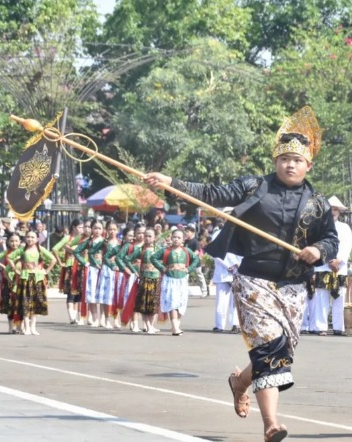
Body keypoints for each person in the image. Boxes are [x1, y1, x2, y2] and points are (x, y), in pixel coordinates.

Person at [143, 105, 338, 442]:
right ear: (275, 161)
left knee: (281, 351)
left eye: (297, 160)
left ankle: (240, 382)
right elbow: (212, 194)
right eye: (284, 158)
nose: (290, 164)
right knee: (270, 347)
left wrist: (319, 250)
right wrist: (171, 182)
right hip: (254, 281)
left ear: (309, 165)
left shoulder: (318, 204)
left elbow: (331, 239)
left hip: (294, 285)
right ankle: (271, 424)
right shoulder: (253, 187)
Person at [310, 196, 352, 336]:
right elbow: (316, 245)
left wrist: (339, 260)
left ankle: (338, 326)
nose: (332, 212)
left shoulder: (345, 228)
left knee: (339, 297)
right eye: (330, 209)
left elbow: (347, 246)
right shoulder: (318, 226)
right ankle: (320, 326)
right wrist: (328, 260)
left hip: (340, 267)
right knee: (321, 297)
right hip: (323, 266)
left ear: (339, 211)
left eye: (335, 209)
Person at [7, 231, 56, 335]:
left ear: (37, 239)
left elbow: (53, 259)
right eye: (28, 237)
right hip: (25, 278)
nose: (30, 239)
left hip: (37, 278)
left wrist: (46, 271)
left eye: (33, 237)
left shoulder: (40, 249)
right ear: (25, 238)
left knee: (35, 303)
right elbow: (9, 257)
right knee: (25, 302)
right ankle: (27, 327)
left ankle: (33, 327)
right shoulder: (22, 249)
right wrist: (15, 269)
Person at [153, 229, 199, 335]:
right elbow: (153, 258)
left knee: (181, 302)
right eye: (174, 237)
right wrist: (163, 268)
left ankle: (176, 325)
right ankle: (174, 326)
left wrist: (188, 269)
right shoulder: (166, 250)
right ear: (171, 238)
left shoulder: (186, 251)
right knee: (172, 302)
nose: (176, 239)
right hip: (170, 279)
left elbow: (196, 259)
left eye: (179, 237)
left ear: (183, 239)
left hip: (182, 279)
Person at [72, 221, 106, 327]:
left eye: (99, 228)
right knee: (92, 294)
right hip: (93, 270)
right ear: (92, 229)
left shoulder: (105, 242)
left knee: (103, 295)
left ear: (103, 230)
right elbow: (76, 252)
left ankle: (103, 319)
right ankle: (95, 319)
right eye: (95, 228)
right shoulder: (88, 242)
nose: (97, 231)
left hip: (104, 269)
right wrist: (85, 263)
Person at [52, 219, 84, 325]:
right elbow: (55, 249)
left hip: (80, 267)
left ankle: (77, 317)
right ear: (74, 227)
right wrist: (60, 262)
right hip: (70, 267)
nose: (82, 229)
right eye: (79, 227)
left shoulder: (84, 239)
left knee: (79, 293)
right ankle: (71, 317)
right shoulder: (67, 238)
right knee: (71, 292)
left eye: (83, 227)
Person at [0, 234, 22, 333]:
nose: (14, 243)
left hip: (20, 280)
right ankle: (11, 327)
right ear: (8, 242)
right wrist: (3, 266)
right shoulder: (6, 252)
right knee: (10, 305)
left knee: (20, 304)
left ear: (20, 242)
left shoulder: (22, 252)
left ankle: (19, 327)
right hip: (8, 280)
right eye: (12, 241)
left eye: (16, 241)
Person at [133, 228, 161, 334]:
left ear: (154, 238)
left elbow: (165, 260)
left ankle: (151, 325)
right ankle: (148, 326)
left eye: (150, 236)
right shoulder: (141, 250)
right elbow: (126, 259)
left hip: (156, 278)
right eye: (146, 236)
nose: (147, 238)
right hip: (144, 279)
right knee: (144, 303)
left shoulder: (159, 249)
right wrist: (134, 270)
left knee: (154, 303)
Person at [212, 252, 241, 333]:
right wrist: (229, 266)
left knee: (235, 302)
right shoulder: (219, 245)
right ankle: (219, 325)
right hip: (222, 275)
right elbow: (216, 255)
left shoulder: (239, 245)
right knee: (221, 302)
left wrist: (237, 265)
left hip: (237, 275)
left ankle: (235, 324)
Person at [183, 224, 209, 297]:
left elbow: (197, 251)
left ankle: (204, 291)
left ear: (192, 232)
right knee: (185, 276)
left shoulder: (195, 241)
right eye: (185, 232)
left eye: (188, 232)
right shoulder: (186, 242)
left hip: (195, 262)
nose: (186, 233)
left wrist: (191, 256)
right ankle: (184, 291)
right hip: (187, 263)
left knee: (199, 276)